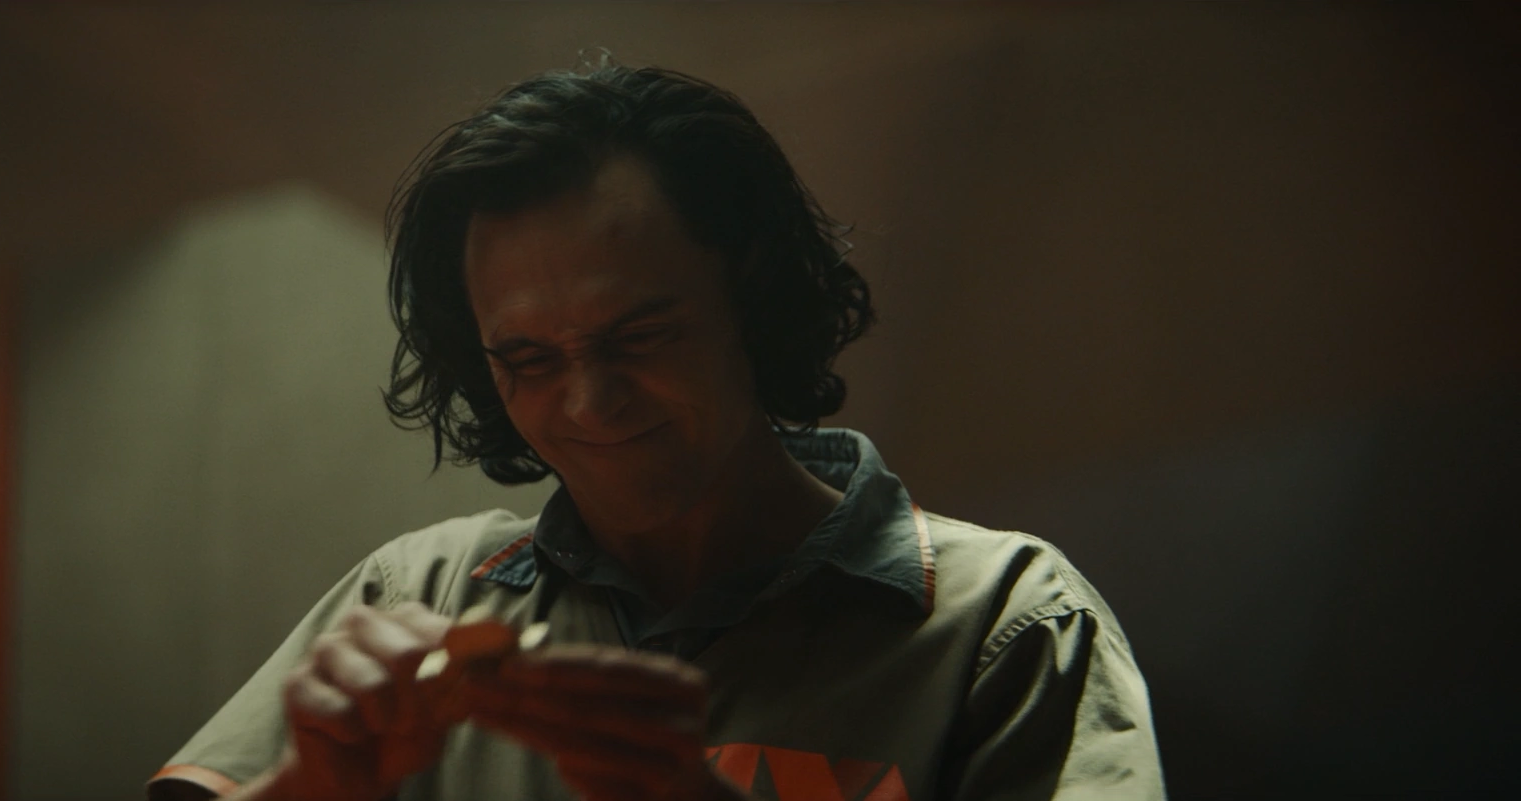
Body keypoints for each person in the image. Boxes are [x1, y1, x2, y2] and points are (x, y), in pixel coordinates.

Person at [148, 62, 1164, 801]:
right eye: (528, 359)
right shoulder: (421, 595)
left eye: (639, 337)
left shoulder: (1003, 624)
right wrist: (306, 787)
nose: (589, 403)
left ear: (754, 301)